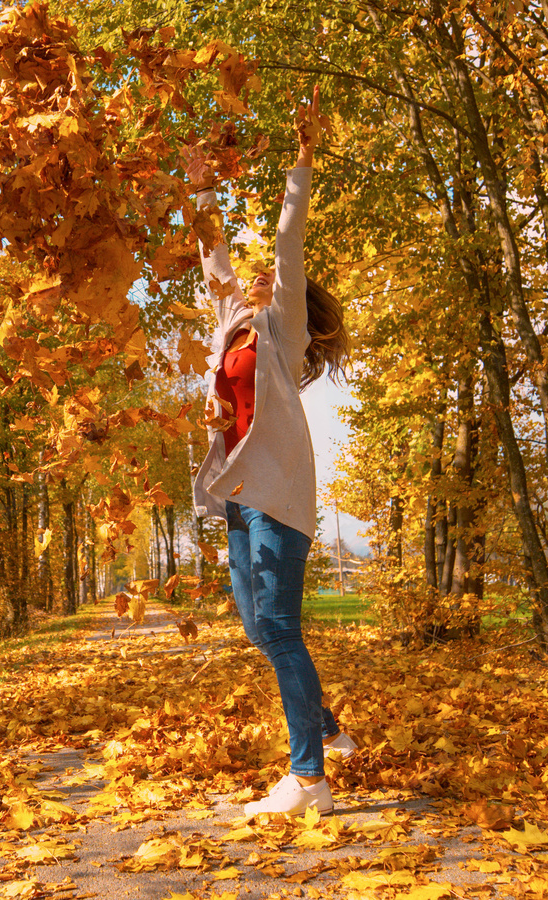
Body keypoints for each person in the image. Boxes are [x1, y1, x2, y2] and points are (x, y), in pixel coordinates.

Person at [183, 87, 355, 817]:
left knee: (279, 628)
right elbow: (213, 256)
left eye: (271, 279)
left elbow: (287, 239)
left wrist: (304, 159)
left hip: (279, 498)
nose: (255, 274)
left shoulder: (283, 334)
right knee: (258, 627)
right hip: (240, 497)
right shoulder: (233, 325)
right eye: (250, 279)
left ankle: (309, 779)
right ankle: (325, 725)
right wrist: (196, 185)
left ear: (291, 297)